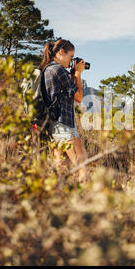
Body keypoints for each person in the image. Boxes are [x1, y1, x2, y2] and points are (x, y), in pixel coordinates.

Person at [39, 38, 88, 183]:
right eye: (71, 57)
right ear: (61, 52)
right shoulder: (57, 69)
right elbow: (78, 97)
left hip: (60, 124)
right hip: (63, 124)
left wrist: (73, 74)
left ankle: (57, 195)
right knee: (81, 166)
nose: (71, 61)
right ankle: (87, 199)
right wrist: (78, 74)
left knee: (60, 164)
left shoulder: (50, 69)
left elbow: (67, 93)